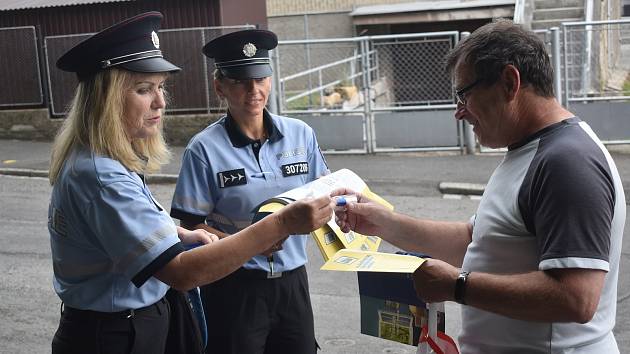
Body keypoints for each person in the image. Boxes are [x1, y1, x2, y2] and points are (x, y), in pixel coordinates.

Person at [47, 12, 333, 354]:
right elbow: (180, 272)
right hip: (116, 331)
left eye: (160, 88)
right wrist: (281, 223)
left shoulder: (102, 164)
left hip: (130, 322)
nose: (160, 102)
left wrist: (177, 235)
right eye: (143, 89)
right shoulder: (103, 176)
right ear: (106, 99)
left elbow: (126, 230)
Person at [333, 19, 624, 354]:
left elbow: (576, 298)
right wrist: (382, 222)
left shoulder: (567, 162)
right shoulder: (529, 151)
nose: (459, 112)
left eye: (464, 94)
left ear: (509, 82)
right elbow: (476, 241)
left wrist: (457, 285)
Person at [170, 29, 329, 354]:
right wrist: (249, 244)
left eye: (260, 79)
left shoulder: (301, 135)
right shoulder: (204, 149)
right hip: (233, 286)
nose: (253, 90)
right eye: (241, 81)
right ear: (220, 86)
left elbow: (326, 195)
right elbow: (189, 225)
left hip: (292, 283)